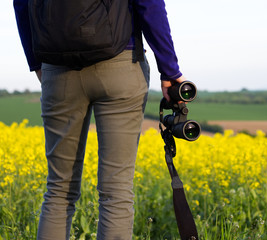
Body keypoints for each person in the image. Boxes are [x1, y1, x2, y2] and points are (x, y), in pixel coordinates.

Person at [13, 0, 186, 239]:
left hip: (57, 69)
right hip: (121, 64)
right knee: (116, 192)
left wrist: (36, 64)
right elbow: (149, 3)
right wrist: (169, 70)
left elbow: (21, 5)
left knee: (58, 190)